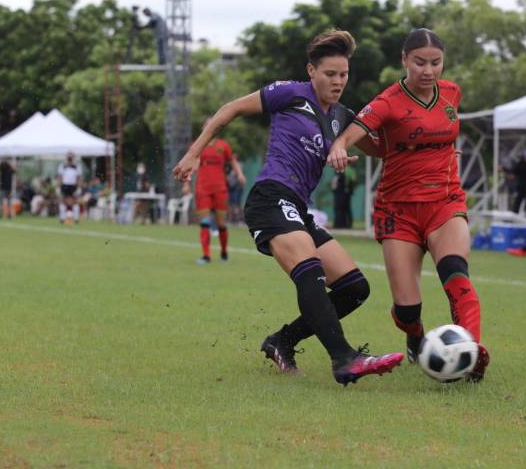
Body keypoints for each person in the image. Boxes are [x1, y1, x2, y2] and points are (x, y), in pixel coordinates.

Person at [173, 29, 404, 386]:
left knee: (354, 288)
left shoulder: (342, 117)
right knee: (309, 268)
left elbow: (385, 148)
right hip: (270, 198)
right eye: (330, 73)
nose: (338, 81)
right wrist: (193, 153)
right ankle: (344, 359)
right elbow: (230, 109)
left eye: (343, 74)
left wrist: (430, 147)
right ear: (311, 71)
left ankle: (282, 341)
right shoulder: (290, 93)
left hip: (298, 208)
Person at [327, 27, 489, 382]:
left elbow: (442, 135)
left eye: (436, 63)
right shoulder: (388, 101)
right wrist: (340, 146)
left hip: (445, 201)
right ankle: (415, 336)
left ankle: (470, 351)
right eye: (419, 63)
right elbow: (356, 129)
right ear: (404, 60)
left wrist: (442, 153)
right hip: (398, 210)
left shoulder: (451, 93)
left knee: (456, 276)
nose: (428, 71)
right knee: (407, 308)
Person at [186, 130, 246, 264]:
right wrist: (186, 182)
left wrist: (240, 174)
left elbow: (232, 161)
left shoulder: (223, 145)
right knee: (205, 222)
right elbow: (193, 162)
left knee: (221, 223)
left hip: (220, 188)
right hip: (202, 188)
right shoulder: (198, 145)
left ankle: (224, 252)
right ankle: (206, 255)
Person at [57, 152, 82, 225]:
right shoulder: (62, 166)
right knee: (63, 201)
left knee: (75, 202)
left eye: (71, 157)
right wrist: (59, 186)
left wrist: (79, 187)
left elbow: (79, 178)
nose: (70, 158)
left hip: (73, 186)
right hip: (65, 185)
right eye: (68, 156)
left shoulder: (77, 166)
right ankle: (62, 218)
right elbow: (60, 177)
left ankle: (76, 218)